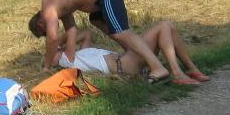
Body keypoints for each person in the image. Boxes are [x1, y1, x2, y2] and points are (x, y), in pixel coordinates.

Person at [28, 0, 170, 83]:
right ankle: (136, 54)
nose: (49, 32)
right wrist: (62, 45)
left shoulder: (47, 6)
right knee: (96, 20)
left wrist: (46, 67)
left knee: (120, 32)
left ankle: (157, 66)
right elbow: (72, 31)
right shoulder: (61, 8)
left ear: (40, 24)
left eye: (45, 32)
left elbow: (52, 38)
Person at [54, 22, 210, 85]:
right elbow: (72, 34)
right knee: (163, 26)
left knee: (168, 27)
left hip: (127, 61)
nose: (57, 49)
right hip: (124, 65)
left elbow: (87, 34)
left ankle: (190, 68)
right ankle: (178, 73)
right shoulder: (66, 60)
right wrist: (61, 44)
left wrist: (62, 44)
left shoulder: (80, 54)